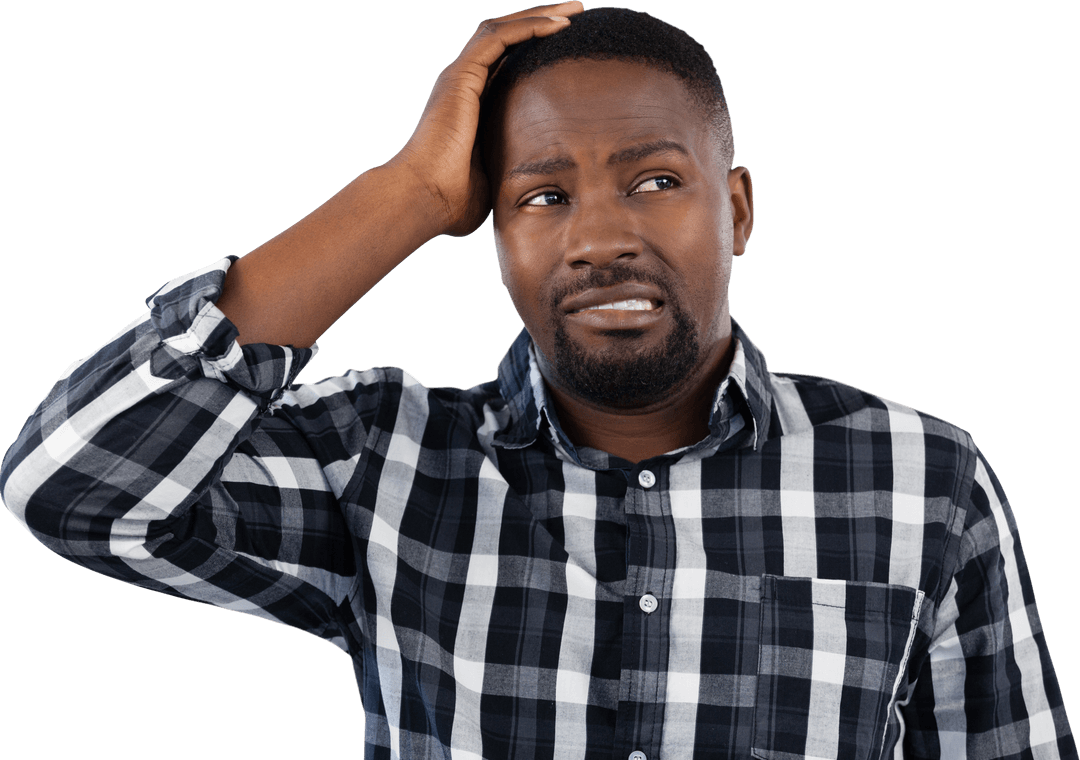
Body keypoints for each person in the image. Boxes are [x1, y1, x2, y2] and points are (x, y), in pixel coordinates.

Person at [2, 3, 1076, 758]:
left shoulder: (916, 476)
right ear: (490, 230)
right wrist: (410, 193)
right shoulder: (385, 464)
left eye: (656, 181)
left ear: (737, 209)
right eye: (541, 197)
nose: (600, 239)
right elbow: (72, 488)